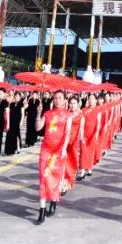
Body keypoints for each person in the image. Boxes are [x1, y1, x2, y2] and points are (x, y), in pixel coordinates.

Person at [36, 91, 73, 223]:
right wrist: (39, 112)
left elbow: (68, 132)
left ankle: (54, 200)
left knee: (55, 178)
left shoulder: (68, 115)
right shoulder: (48, 113)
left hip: (58, 151)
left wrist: (63, 148)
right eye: (55, 98)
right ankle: (42, 210)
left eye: (59, 98)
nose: (57, 100)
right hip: (46, 149)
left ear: (64, 100)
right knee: (43, 177)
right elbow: (38, 127)